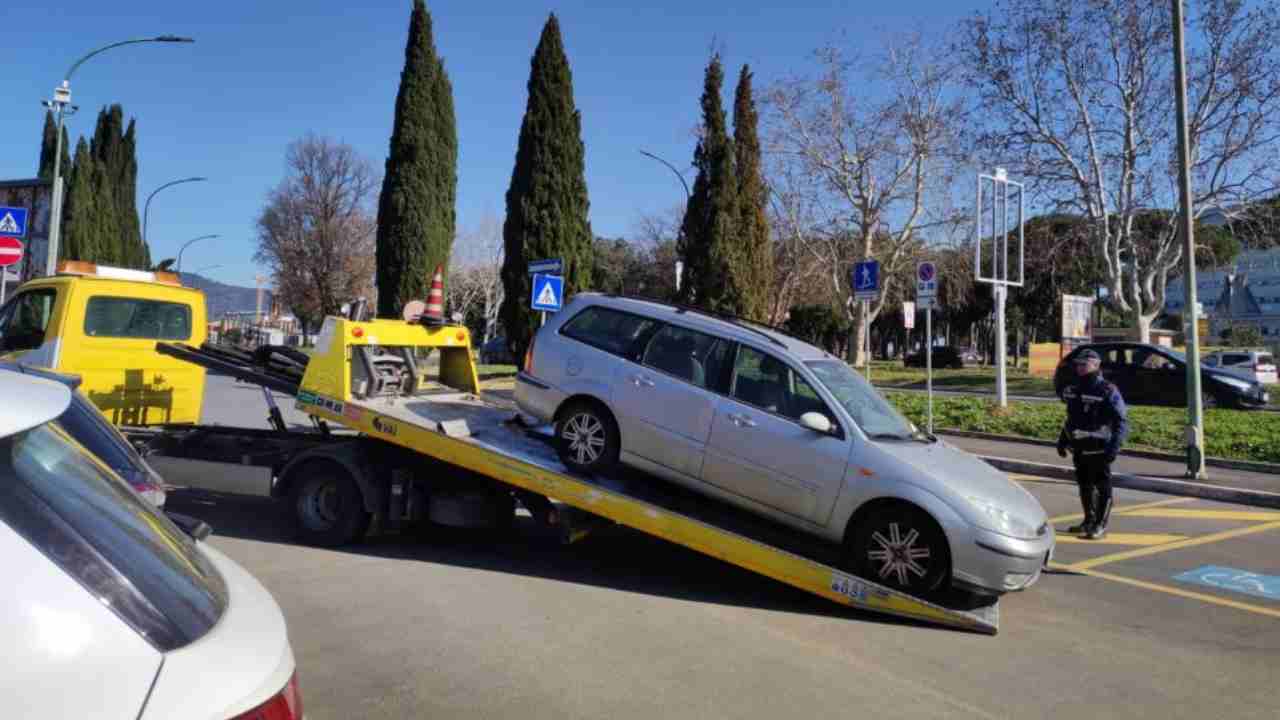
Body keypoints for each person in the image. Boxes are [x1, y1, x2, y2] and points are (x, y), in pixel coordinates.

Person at [1057, 349, 1128, 540]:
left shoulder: (1107, 390)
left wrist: (1114, 447)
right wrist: (1062, 440)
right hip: (1079, 446)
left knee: (1103, 486)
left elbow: (1121, 421)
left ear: (1095, 366)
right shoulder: (1074, 389)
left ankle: (1100, 525)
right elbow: (1071, 418)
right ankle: (1088, 520)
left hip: (1100, 447)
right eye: (1078, 364)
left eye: (1084, 364)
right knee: (1085, 485)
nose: (1080, 367)